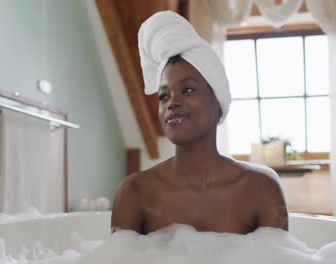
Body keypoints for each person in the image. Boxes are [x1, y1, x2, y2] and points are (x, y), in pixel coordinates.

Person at [111, 11, 288, 235]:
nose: (172, 103)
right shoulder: (134, 192)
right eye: (164, 96)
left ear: (218, 100)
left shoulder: (261, 188)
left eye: (188, 90)